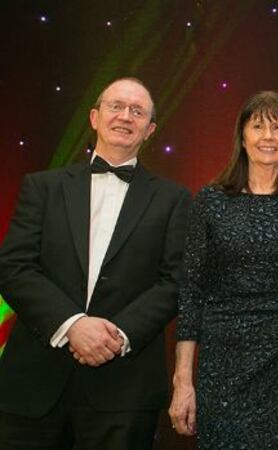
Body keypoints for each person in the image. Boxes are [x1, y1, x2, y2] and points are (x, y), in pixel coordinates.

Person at [0, 77, 191, 449]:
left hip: (124, 392)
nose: (125, 116)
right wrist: (72, 325)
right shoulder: (42, 187)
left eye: (137, 111)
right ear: (94, 116)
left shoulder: (175, 198)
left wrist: (116, 335)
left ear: (150, 129)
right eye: (115, 106)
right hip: (33, 384)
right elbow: (13, 266)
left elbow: (176, 281)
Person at [168, 91, 278, 449]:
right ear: (242, 136)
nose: (268, 137)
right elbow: (190, 292)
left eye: (277, 127)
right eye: (258, 126)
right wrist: (183, 380)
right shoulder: (210, 201)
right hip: (223, 368)